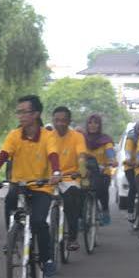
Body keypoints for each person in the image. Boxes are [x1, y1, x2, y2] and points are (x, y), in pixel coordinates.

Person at [0, 95, 61, 277]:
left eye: (24, 112)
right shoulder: (14, 135)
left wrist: (56, 173)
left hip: (41, 186)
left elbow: (53, 155)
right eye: (19, 112)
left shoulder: (48, 136)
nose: (20, 116)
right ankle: (11, 236)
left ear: (36, 114)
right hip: (19, 184)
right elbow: (3, 155)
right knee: (10, 199)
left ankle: (47, 259)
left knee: (38, 221)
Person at [50, 106, 88, 250]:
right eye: (57, 120)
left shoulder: (77, 137)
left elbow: (81, 157)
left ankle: (72, 238)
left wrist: (83, 174)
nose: (60, 123)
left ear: (69, 121)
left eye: (64, 120)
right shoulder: (47, 136)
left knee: (72, 201)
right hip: (50, 178)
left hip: (69, 177)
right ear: (52, 121)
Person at [83, 114, 117, 226]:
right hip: (86, 172)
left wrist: (112, 160)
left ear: (100, 125)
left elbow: (110, 151)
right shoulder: (82, 139)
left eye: (96, 123)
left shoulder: (105, 140)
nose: (93, 125)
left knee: (102, 189)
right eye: (90, 122)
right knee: (81, 191)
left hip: (102, 171)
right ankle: (81, 217)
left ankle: (105, 211)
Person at [123, 121, 139, 223]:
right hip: (131, 167)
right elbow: (127, 151)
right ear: (136, 129)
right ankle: (130, 211)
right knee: (133, 186)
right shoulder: (131, 138)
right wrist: (128, 159)